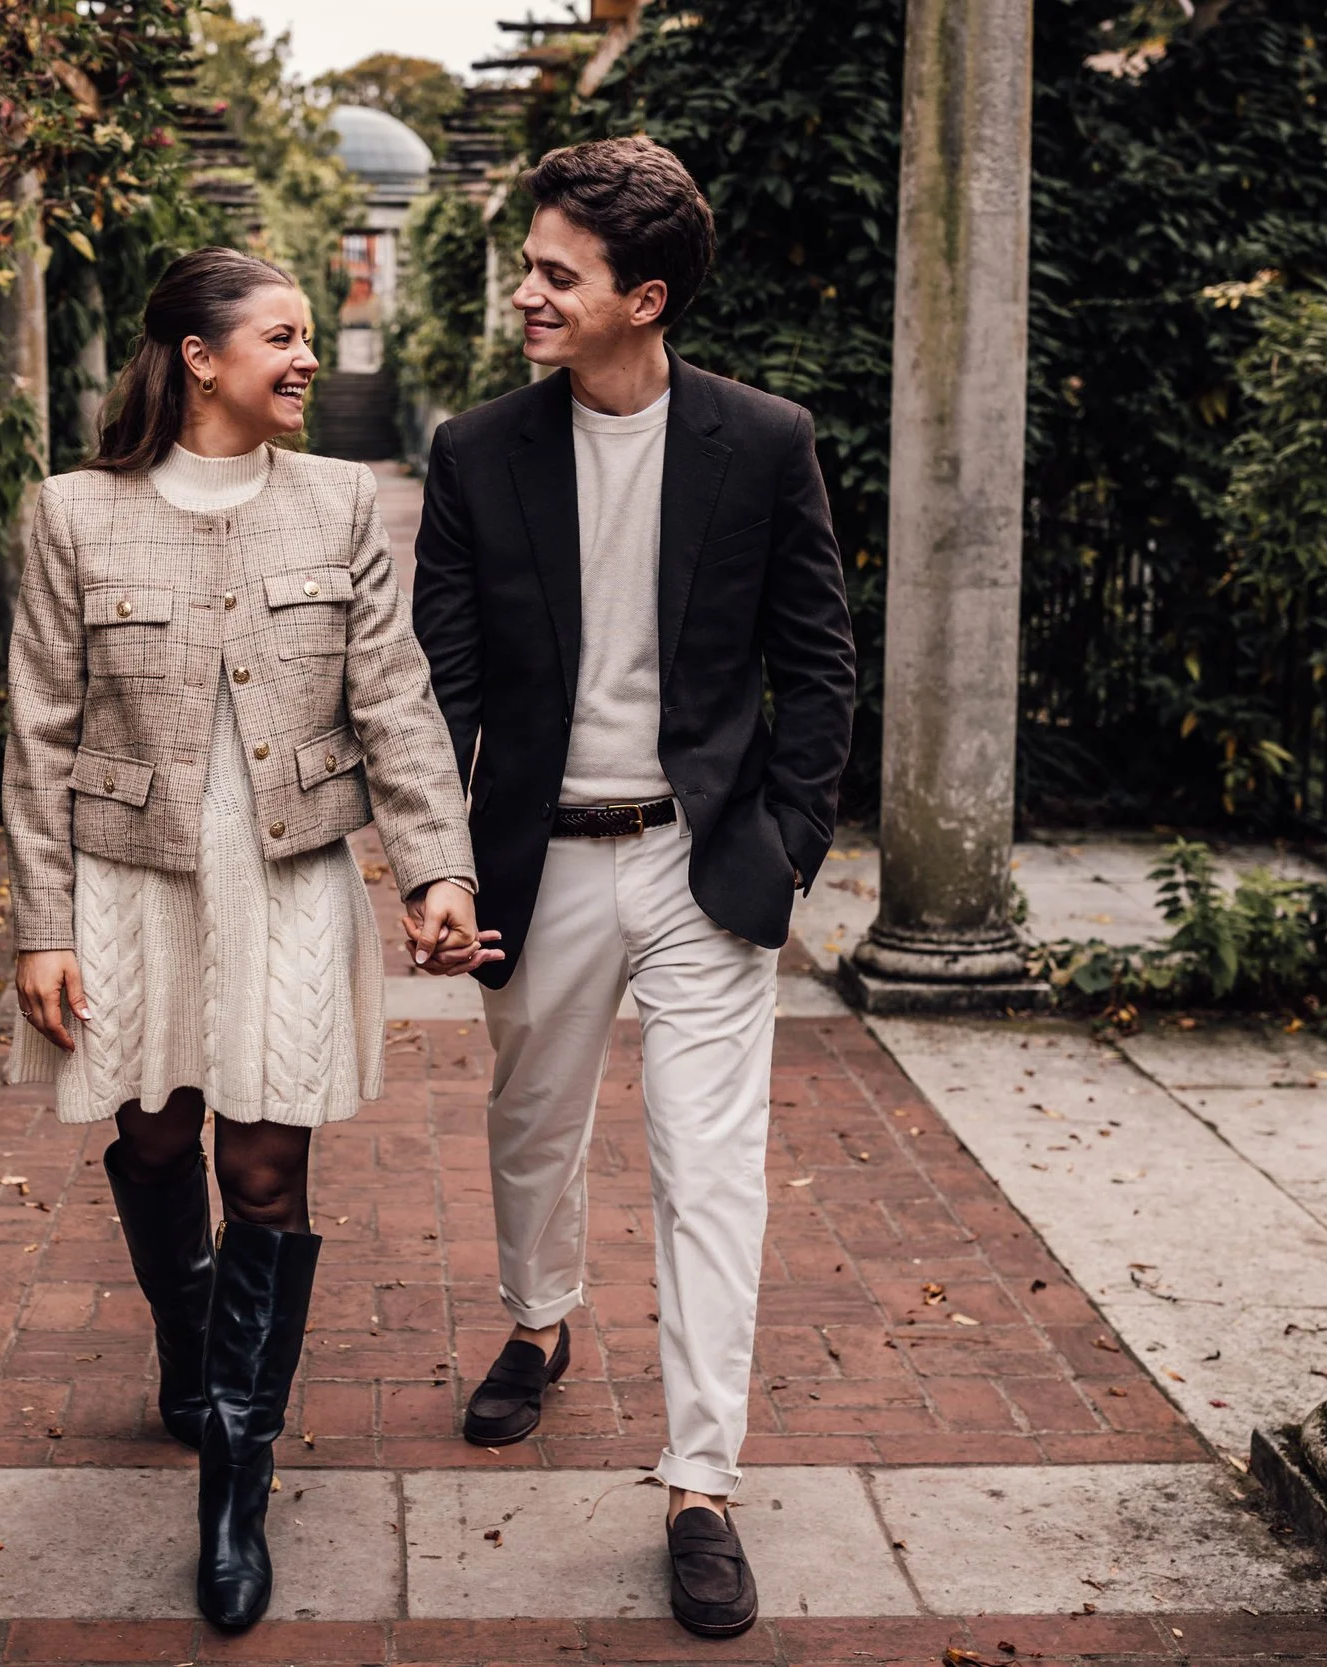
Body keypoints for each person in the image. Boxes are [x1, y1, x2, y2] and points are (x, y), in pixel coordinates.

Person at [4, 247, 494, 1631]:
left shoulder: (339, 502)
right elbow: (39, 729)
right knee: (158, 1132)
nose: (303, 357)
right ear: (199, 357)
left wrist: (434, 868)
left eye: (301, 335)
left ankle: (235, 1479)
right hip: (130, 877)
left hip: (289, 876)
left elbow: (395, 702)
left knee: (266, 1167)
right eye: (280, 336)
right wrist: (41, 923)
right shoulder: (74, 514)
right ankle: (187, 1329)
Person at [412, 138, 857, 1639]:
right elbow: (444, 677)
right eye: (531, 266)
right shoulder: (478, 451)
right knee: (530, 1123)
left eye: (556, 275)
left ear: (642, 298)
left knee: (709, 1170)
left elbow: (821, 658)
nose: (527, 293)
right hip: (537, 862)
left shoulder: (764, 440)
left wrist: (786, 843)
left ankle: (701, 1479)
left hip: (700, 856)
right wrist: (443, 862)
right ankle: (540, 1320)